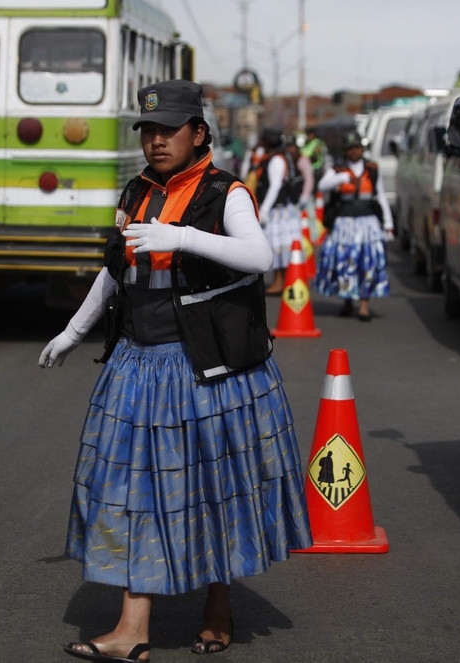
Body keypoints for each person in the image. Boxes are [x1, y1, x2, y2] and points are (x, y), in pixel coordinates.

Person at [38, 79, 312, 663]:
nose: (157, 141)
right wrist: (73, 331)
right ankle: (132, 628)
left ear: (199, 133)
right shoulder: (136, 190)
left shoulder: (226, 192)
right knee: (132, 493)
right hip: (138, 367)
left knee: (214, 491)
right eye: (149, 131)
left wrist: (183, 235)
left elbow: (261, 256)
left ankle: (219, 606)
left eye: (170, 130)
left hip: (207, 371)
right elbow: (116, 272)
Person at [314, 131, 393, 321]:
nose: (354, 152)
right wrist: (341, 179)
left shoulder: (372, 169)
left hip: (368, 222)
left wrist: (388, 223)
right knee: (345, 261)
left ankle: (364, 305)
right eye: (350, 149)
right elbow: (322, 185)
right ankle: (347, 301)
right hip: (344, 222)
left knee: (367, 262)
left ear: (362, 149)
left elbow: (380, 195)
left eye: (356, 148)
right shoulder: (338, 170)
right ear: (345, 151)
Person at [253, 127, 300, 295]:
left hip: (279, 211)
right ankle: (280, 281)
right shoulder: (280, 157)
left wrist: (264, 209)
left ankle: (280, 282)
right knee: (280, 247)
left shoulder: (276, 160)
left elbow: (275, 186)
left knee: (278, 247)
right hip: (284, 208)